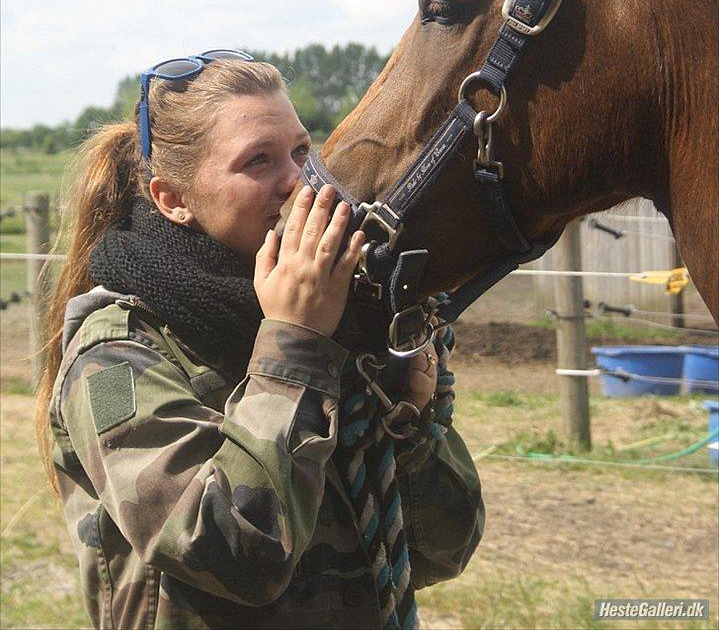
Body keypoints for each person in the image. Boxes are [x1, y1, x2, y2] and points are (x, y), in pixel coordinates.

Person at [36, 51, 484, 630]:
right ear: (173, 199)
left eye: (302, 151)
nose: (299, 180)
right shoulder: (114, 356)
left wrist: (413, 424)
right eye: (259, 160)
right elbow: (234, 555)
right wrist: (295, 345)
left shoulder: (343, 320)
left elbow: (439, 552)